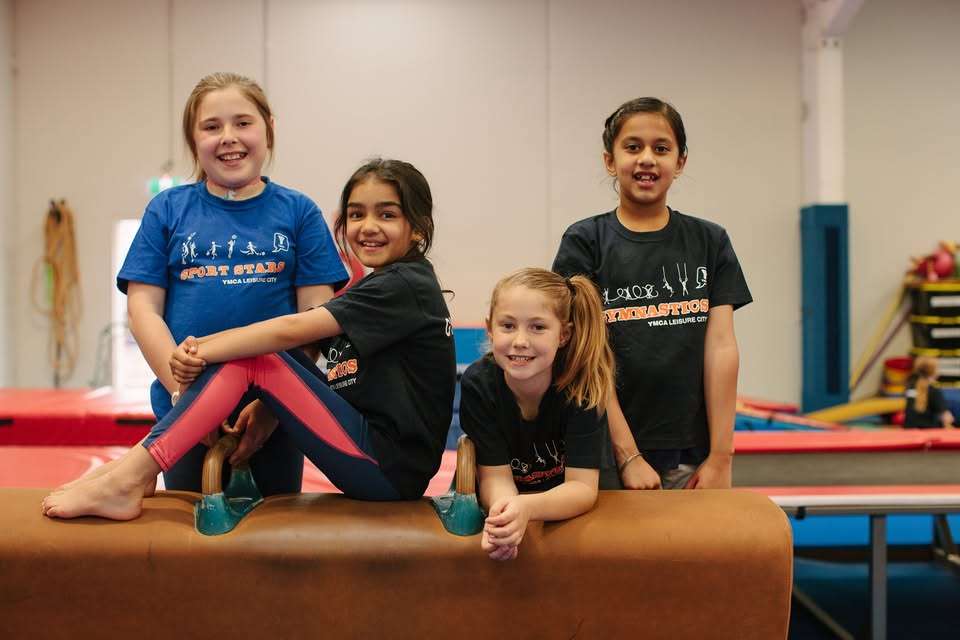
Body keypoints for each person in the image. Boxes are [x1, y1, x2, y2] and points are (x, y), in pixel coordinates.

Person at [42, 158, 456, 519]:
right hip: (374, 455)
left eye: (387, 215)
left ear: (418, 227)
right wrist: (269, 408)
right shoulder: (385, 287)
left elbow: (290, 329)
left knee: (262, 357)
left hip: (387, 467)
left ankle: (130, 475)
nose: (368, 227)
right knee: (269, 360)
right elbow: (328, 371)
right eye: (356, 214)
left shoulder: (404, 285)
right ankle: (126, 473)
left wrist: (198, 349)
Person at [115, 72, 348, 496]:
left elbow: (317, 319)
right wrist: (184, 396)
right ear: (193, 139)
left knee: (272, 542)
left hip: (275, 408)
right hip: (183, 401)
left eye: (243, 123)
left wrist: (272, 409)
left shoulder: (298, 212)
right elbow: (142, 309)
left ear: (268, 129)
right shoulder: (168, 210)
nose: (228, 137)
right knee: (190, 532)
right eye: (211, 126)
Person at [553, 97, 752, 491]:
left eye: (661, 149)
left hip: (689, 449)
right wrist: (628, 455)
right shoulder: (585, 242)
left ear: (680, 162)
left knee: (689, 551)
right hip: (604, 447)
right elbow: (584, 353)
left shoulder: (709, 241)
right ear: (610, 160)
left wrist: (720, 456)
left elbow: (721, 347)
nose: (647, 158)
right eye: (633, 147)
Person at [459, 268, 614, 561]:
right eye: (508, 326)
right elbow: (494, 477)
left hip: (565, 507)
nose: (520, 340)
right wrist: (504, 520)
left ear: (563, 335)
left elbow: (581, 487)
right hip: (509, 498)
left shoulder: (581, 389)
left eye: (537, 327)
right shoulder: (479, 385)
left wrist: (526, 509)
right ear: (490, 329)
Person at [904, 357, 955, 428]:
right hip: (929, 432)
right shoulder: (934, 391)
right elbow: (947, 417)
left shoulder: (910, 387)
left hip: (909, 431)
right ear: (934, 372)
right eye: (938, 368)